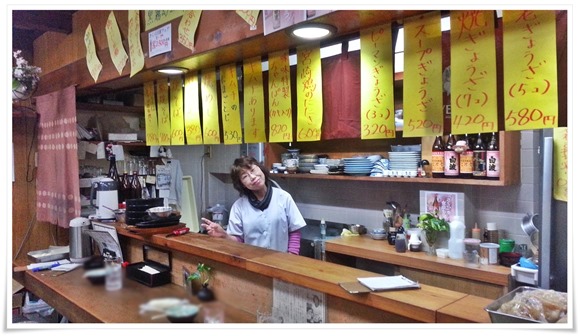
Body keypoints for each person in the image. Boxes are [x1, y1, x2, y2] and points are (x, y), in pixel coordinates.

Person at [201, 156, 306, 254]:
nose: (252, 177)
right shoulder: (239, 207)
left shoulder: (283, 197)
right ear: (242, 184)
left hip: (281, 263)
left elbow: (294, 231)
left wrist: (291, 256)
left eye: (253, 170)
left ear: (260, 169)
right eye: (245, 176)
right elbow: (238, 240)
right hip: (252, 263)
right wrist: (224, 236)